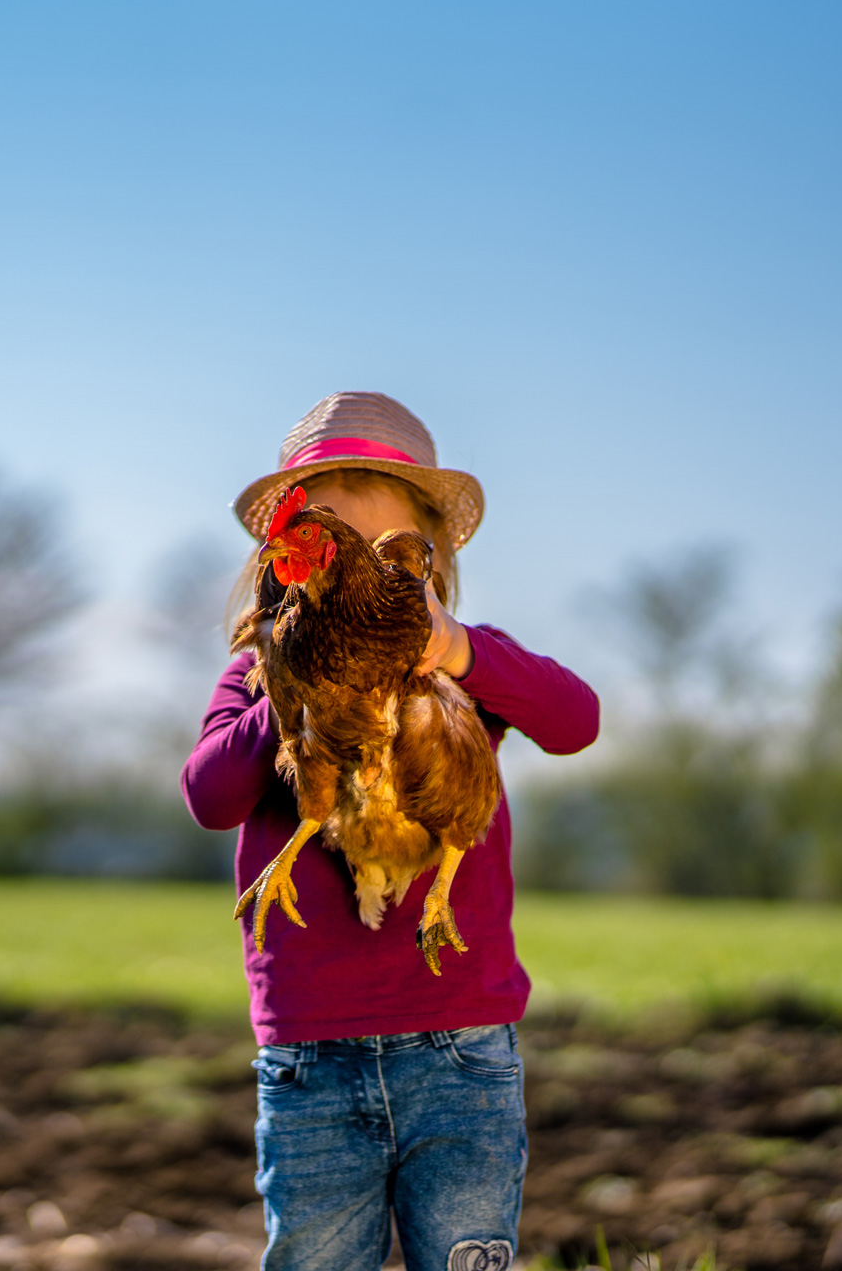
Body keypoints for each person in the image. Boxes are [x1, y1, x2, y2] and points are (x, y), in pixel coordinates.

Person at [180, 392, 599, 1271]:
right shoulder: (257, 676)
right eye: (332, 544)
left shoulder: (461, 665)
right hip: (310, 1053)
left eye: (382, 556)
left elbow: (576, 720)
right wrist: (303, 686)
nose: (355, 574)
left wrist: (456, 649)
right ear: (288, 556)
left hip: (461, 1045)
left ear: (426, 561)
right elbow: (212, 796)